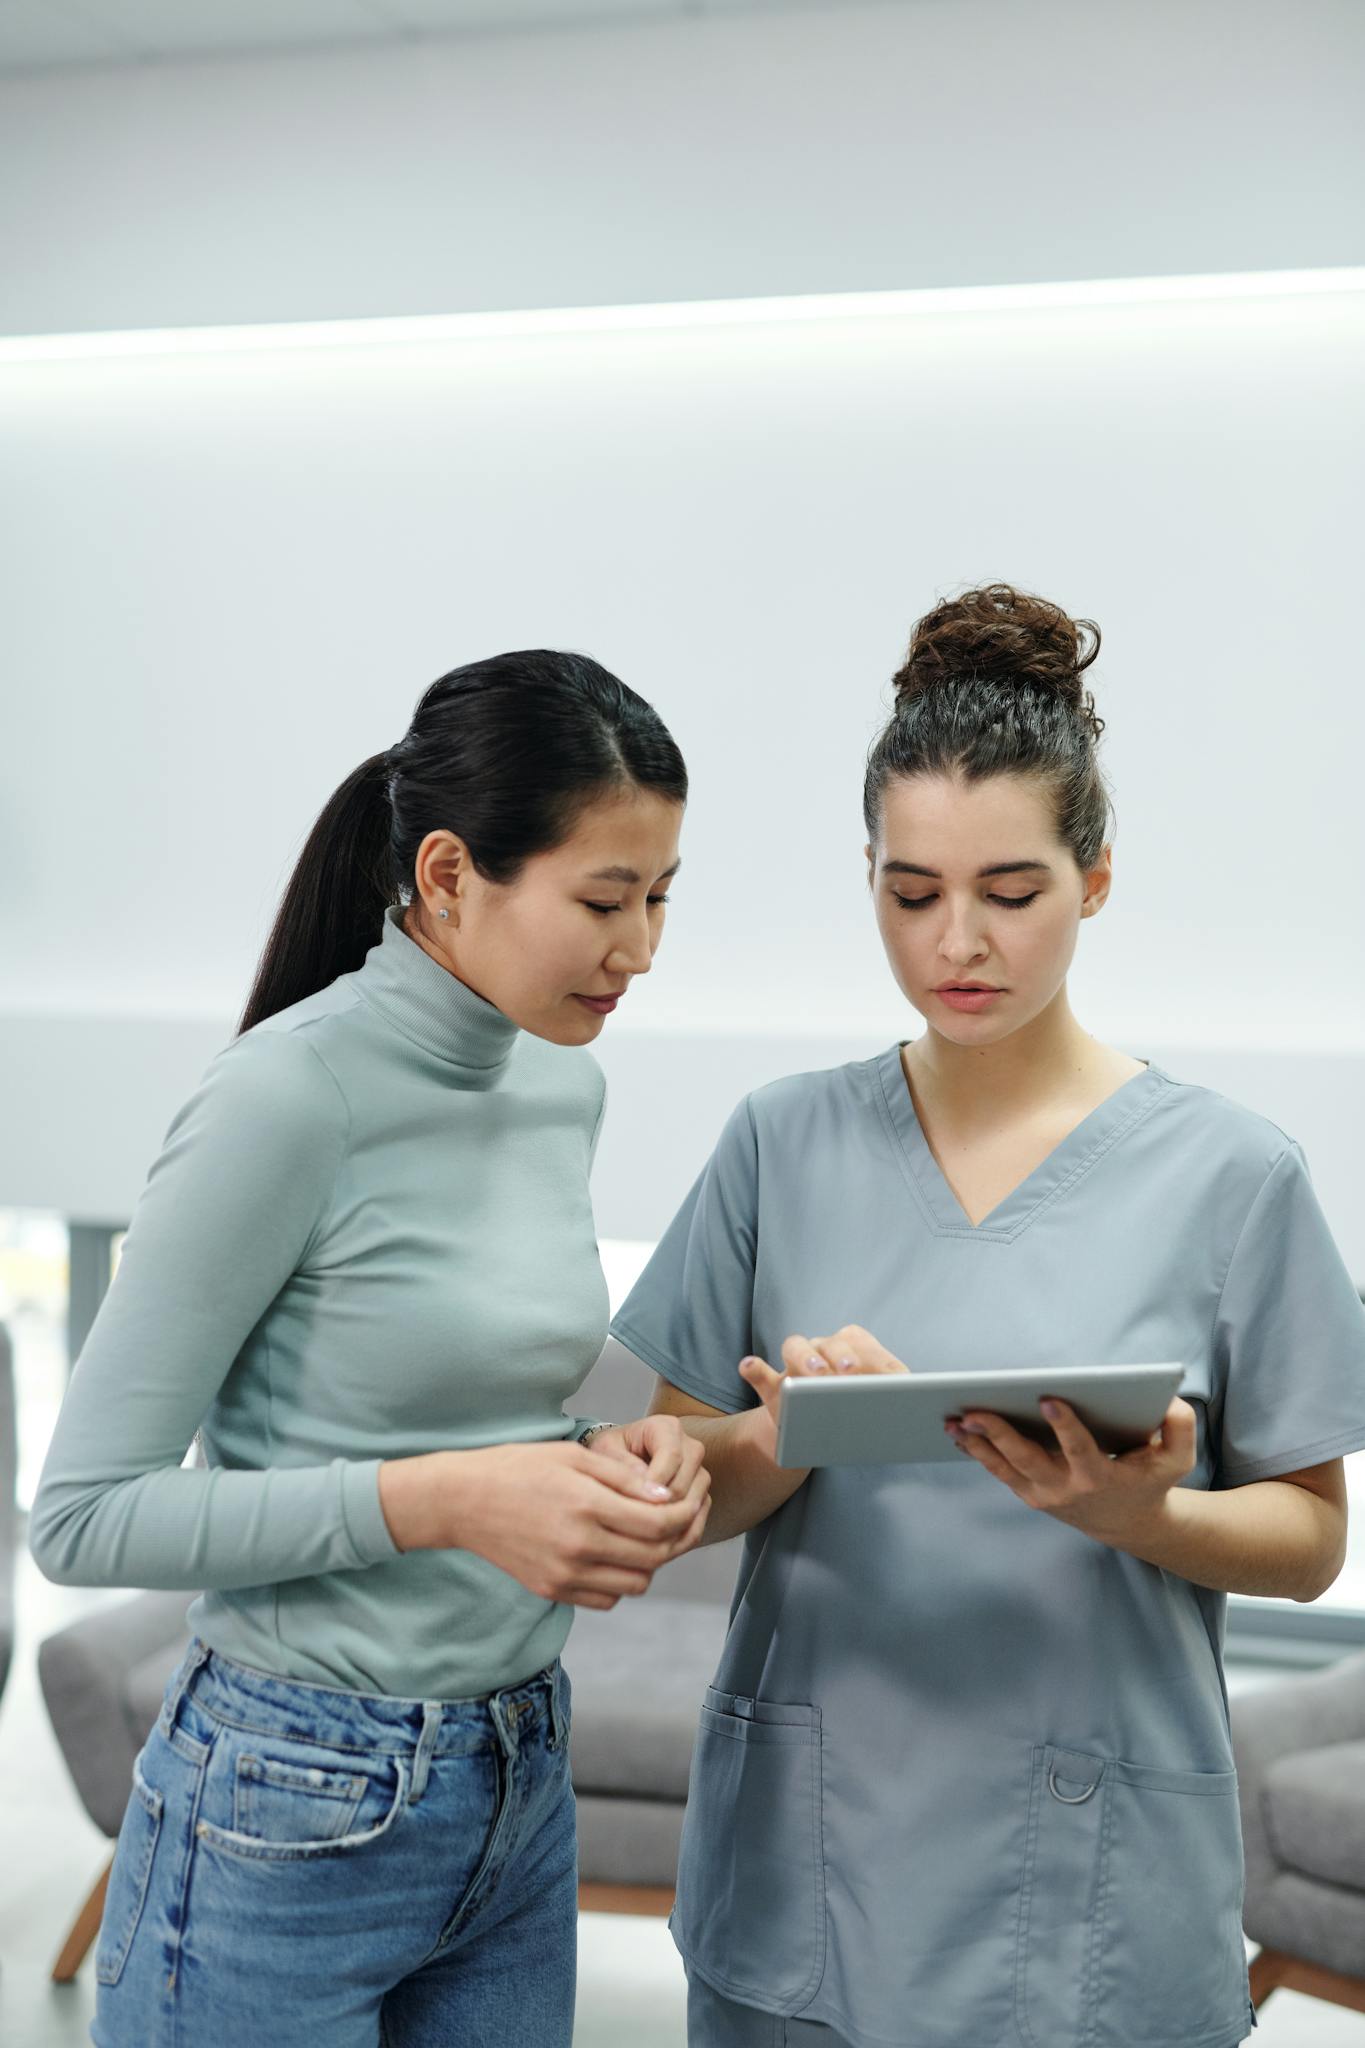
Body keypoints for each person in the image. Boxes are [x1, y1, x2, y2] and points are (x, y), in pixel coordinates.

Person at [609, 586, 1365, 2048]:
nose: (955, 942)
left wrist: (1135, 1512)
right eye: (909, 893)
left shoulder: (1233, 1175)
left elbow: (1311, 1537)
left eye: (1009, 893)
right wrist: (778, 1439)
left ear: (1093, 879)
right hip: (810, 1870)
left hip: (1091, 1886)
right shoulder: (779, 1143)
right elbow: (677, 1489)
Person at [31, 648, 710, 2048]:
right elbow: (82, 1520)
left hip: (516, 1781)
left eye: (657, 897)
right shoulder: (285, 1098)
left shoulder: (557, 1084)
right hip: (286, 1794)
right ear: (451, 874)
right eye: (602, 900)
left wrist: (603, 1461)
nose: (638, 947)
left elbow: (461, 1401)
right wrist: (453, 1499)